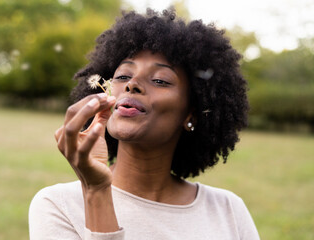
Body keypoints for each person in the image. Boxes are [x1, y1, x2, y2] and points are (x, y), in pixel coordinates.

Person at [29, 8, 260, 240]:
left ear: (192, 114)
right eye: (122, 76)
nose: (132, 84)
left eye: (160, 80)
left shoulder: (228, 210)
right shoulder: (58, 205)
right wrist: (96, 191)